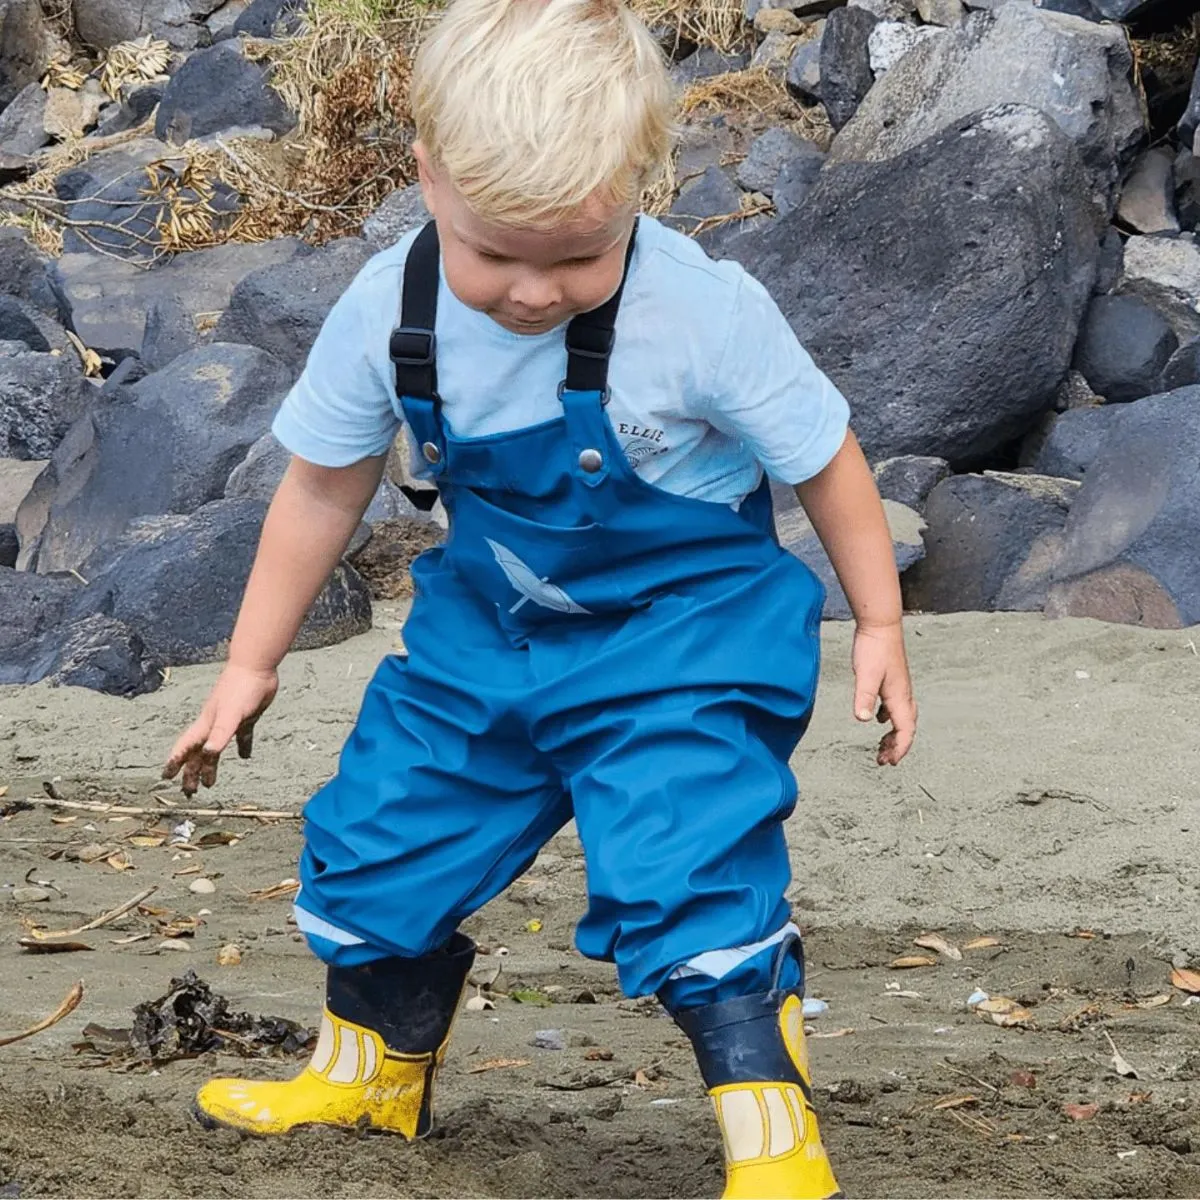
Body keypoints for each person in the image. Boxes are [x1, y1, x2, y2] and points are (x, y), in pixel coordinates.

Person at [163, 0, 916, 1194]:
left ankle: (774, 1139)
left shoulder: (702, 313)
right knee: (376, 833)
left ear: (641, 186)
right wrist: (250, 662)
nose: (527, 291)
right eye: (494, 255)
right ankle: (368, 1077)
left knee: (686, 859)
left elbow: (824, 455)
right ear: (428, 178)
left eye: (574, 259)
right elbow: (319, 490)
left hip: (687, 637)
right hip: (492, 625)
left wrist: (878, 622)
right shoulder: (386, 309)